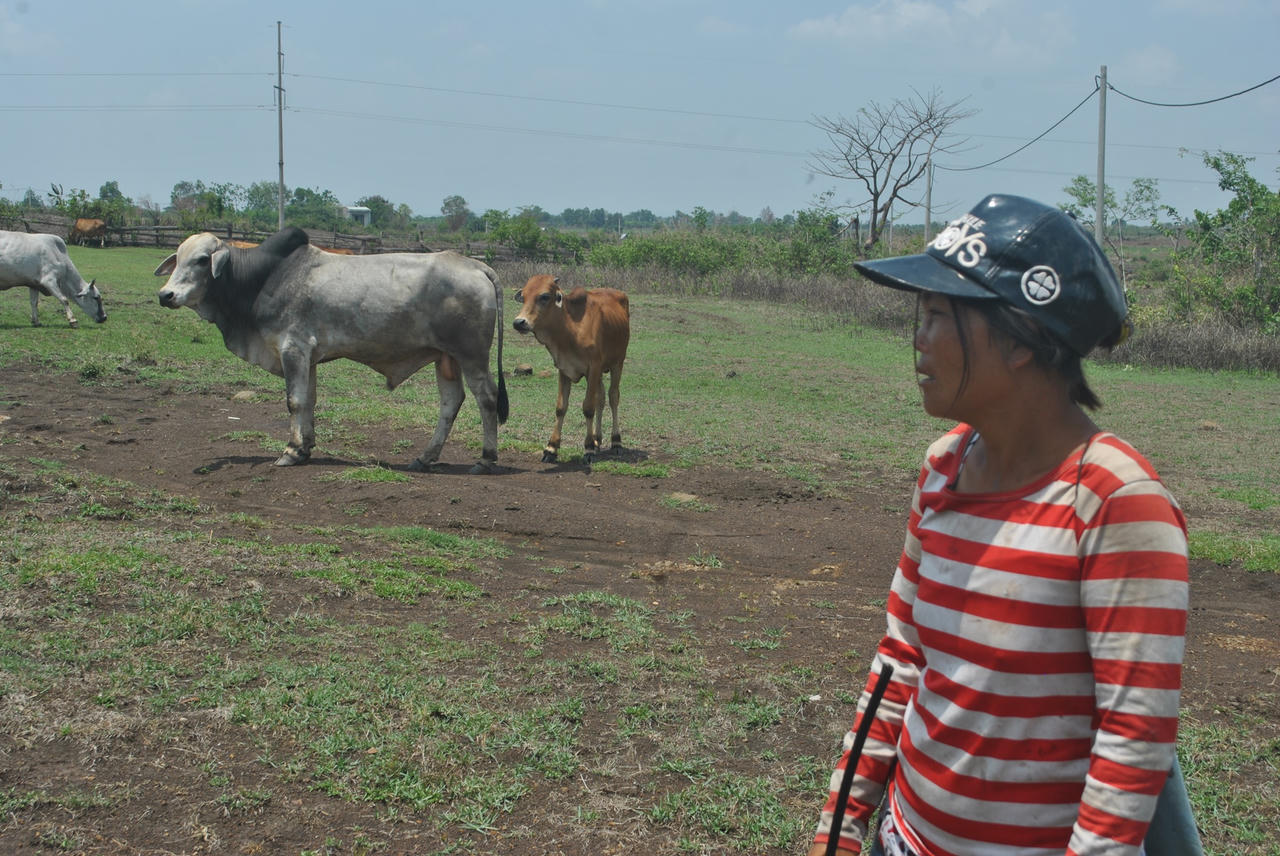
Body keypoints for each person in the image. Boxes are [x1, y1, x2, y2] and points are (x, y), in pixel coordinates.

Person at [809, 194, 1201, 856]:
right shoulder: (944, 469)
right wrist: (840, 830)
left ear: (1021, 339)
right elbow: (901, 660)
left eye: (938, 315)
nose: (918, 338)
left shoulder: (1115, 503)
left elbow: (1130, 746)